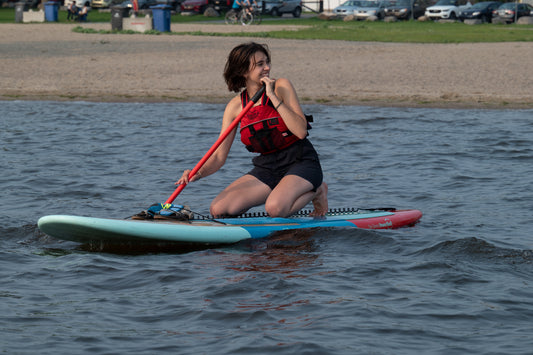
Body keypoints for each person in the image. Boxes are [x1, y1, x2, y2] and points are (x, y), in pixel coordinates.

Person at [177, 42, 328, 218]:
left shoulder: (281, 87)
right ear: (243, 71)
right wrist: (198, 173)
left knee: (275, 209)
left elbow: (301, 131)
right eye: (260, 64)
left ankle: (317, 190)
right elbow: (218, 156)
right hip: (267, 168)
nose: (267, 68)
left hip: (301, 161)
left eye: (267, 62)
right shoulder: (234, 107)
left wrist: (271, 95)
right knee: (219, 209)